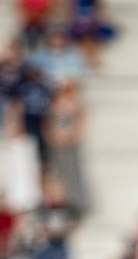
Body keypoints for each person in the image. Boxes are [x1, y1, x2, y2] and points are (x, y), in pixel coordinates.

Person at [46, 79, 90, 217]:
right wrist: (54, 137)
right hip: (56, 145)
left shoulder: (76, 105)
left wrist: (70, 136)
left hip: (71, 145)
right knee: (58, 174)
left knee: (74, 173)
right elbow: (48, 124)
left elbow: (80, 124)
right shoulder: (53, 105)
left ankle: (78, 202)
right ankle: (61, 202)